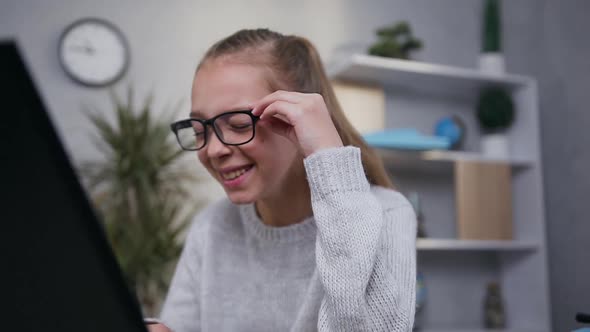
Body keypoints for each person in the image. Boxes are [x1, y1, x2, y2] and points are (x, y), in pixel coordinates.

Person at [149, 28, 417, 332]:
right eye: (199, 130)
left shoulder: (387, 214)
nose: (212, 149)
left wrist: (329, 155)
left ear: (297, 120)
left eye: (238, 124)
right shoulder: (212, 226)